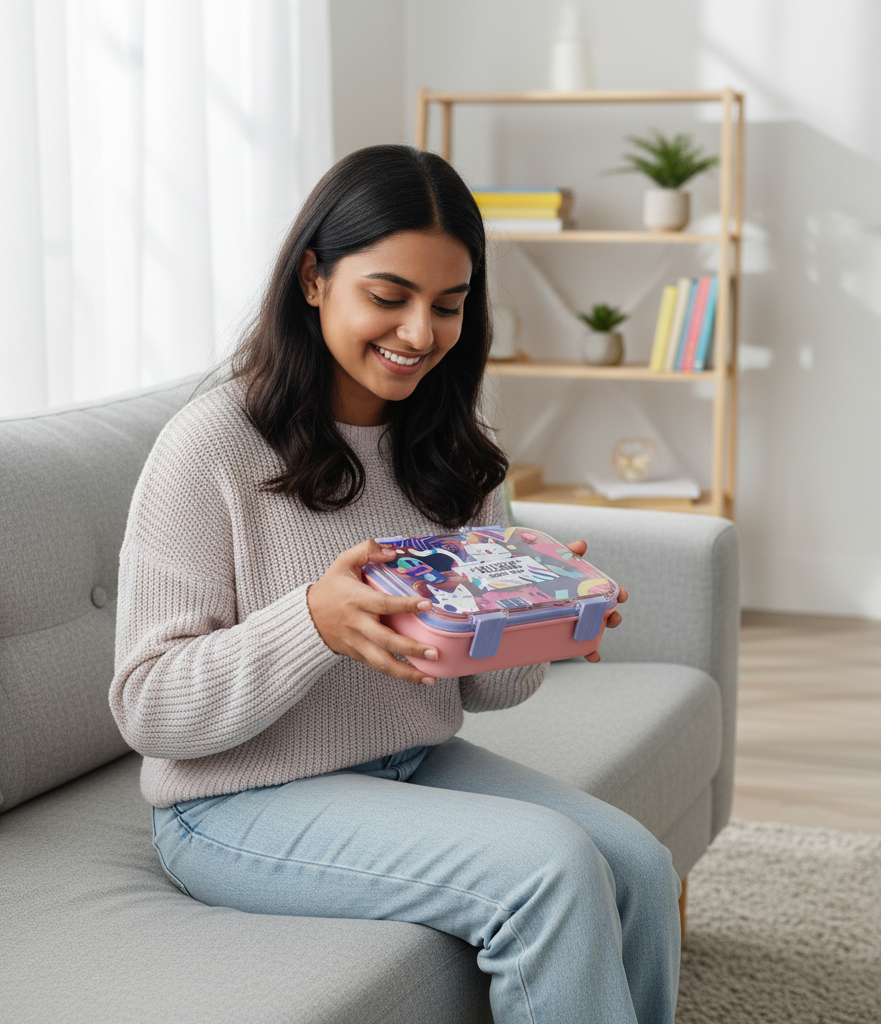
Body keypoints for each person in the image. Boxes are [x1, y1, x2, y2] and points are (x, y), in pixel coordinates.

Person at [109, 144, 681, 1023]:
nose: (420, 334)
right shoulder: (211, 445)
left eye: (448, 306)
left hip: (409, 763)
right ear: (313, 278)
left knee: (635, 865)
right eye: (388, 297)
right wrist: (311, 623)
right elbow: (148, 709)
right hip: (232, 802)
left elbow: (489, 690)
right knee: (552, 870)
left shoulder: (452, 444)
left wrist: (538, 622)